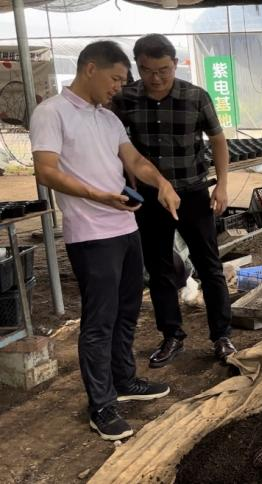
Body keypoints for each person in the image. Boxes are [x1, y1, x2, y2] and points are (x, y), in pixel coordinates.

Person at [30, 40, 180, 440]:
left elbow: (134, 162)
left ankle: (124, 380)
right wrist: (98, 195)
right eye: (115, 78)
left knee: (128, 310)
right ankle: (101, 404)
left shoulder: (108, 119)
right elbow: (45, 171)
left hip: (125, 229)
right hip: (91, 234)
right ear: (90, 69)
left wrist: (161, 182)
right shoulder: (52, 113)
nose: (120, 86)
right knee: (99, 321)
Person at [112, 34, 237, 368]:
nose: (156, 78)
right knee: (159, 269)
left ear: (176, 64)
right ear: (136, 66)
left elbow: (219, 141)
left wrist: (222, 185)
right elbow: (116, 143)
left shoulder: (195, 97)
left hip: (192, 193)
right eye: (147, 70)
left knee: (209, 265)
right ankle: (172, 336)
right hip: (150, 199)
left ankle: (222, 336)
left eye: (163, 70)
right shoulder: (125, 98)